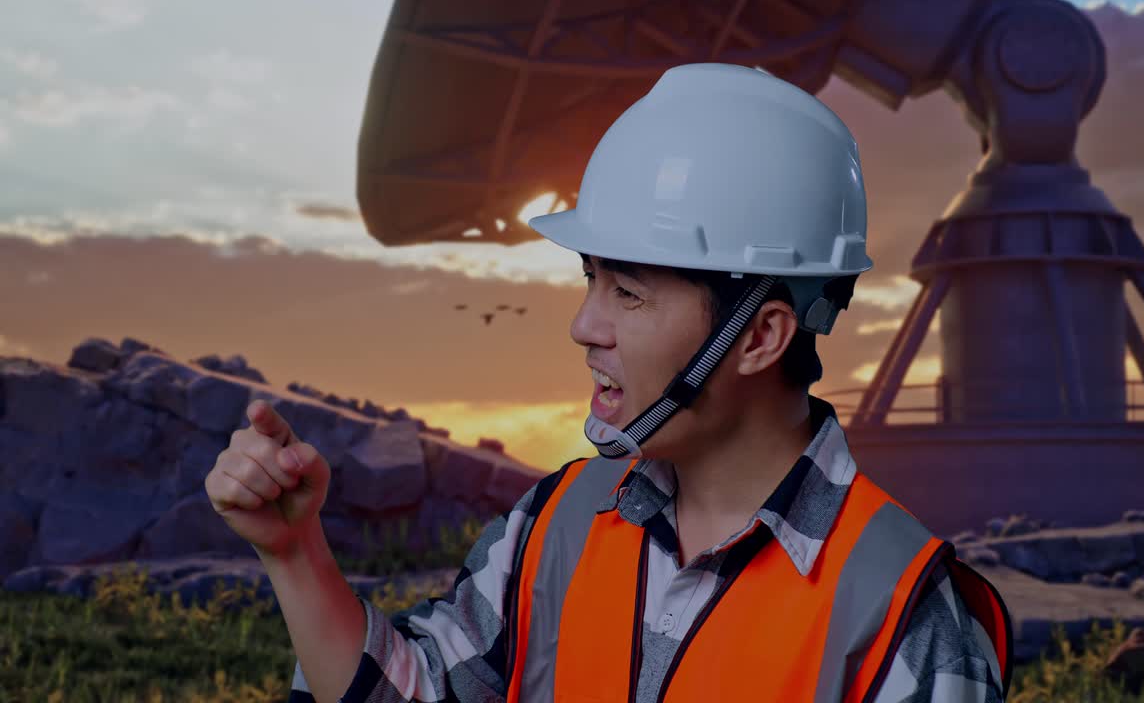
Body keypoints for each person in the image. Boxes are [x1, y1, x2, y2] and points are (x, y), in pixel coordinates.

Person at [207, 62, 1011, 703]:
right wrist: (294, 552)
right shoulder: (554, 525)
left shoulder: (906, 622)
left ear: (762, 335)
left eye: (627, 291)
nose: (585, 326)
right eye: (590, 281)